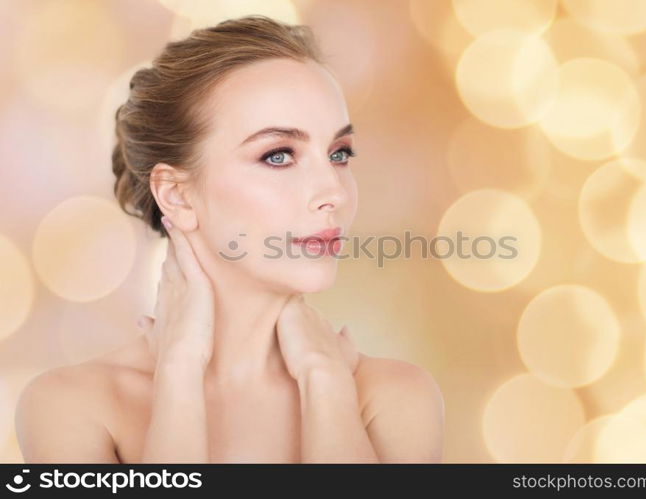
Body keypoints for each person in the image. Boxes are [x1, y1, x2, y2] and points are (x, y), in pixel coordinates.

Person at [14, 15, 444, 464]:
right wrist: (179, 373)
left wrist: (326, 383)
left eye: (339, 154)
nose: (334, 192)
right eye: (279, 155)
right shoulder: (72, 407)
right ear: (176, 194)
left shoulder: (393, 397)